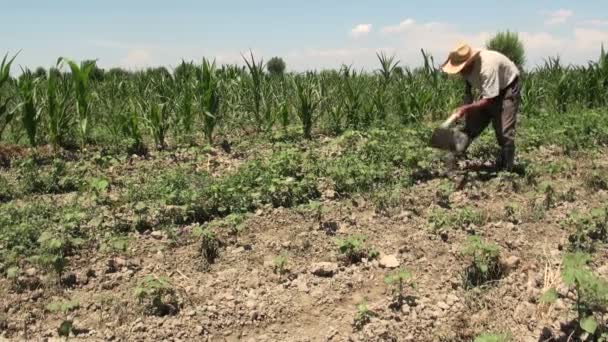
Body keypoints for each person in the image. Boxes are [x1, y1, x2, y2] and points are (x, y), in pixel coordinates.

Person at [441, 43, 521, 172]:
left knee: (504, 131)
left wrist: (467, 108)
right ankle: (450, 161)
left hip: (507, 87)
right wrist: (465, 109)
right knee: (470, 126)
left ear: (469, 62)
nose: (459, 72)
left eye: (460, 68)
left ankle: (507, 170)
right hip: (488, 91)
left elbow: (490, 100)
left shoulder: (487, 67)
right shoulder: (465, 70)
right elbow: (468, 92)